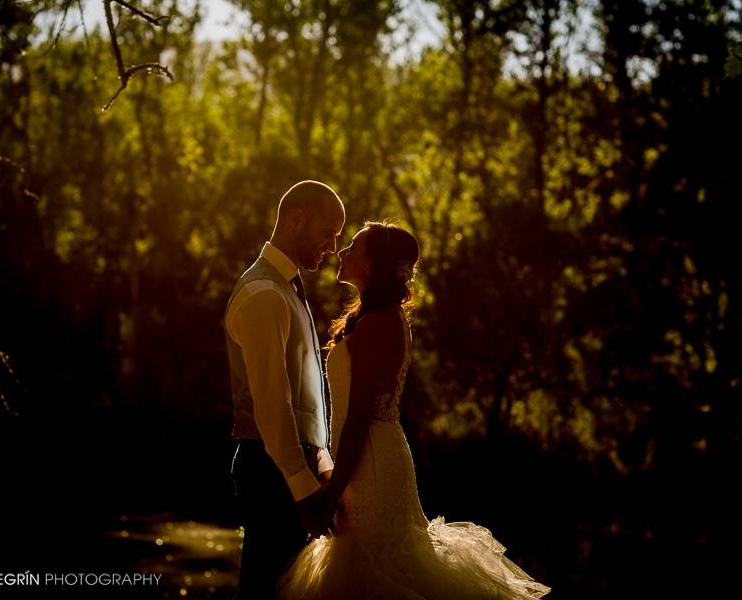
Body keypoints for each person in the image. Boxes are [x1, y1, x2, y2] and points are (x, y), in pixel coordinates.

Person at [278, 222, 550, 600]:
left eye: (354, 246)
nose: (342, 252)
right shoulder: (371, 319)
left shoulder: (379, 323)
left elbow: (359, 418)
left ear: (376, 263)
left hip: (370, 463)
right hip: (364, 459)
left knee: (379, 571)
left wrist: (331, 494)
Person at [224, 180, 346, 599]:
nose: (331, 247)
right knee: (266, 589)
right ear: (297, 220)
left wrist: (323, 461)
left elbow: (305, 394)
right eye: (328, 233)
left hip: (294, 463)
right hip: (270, 467)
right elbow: (272, 404)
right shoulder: (263, 295)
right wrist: (303, 487)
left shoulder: (287, 288)